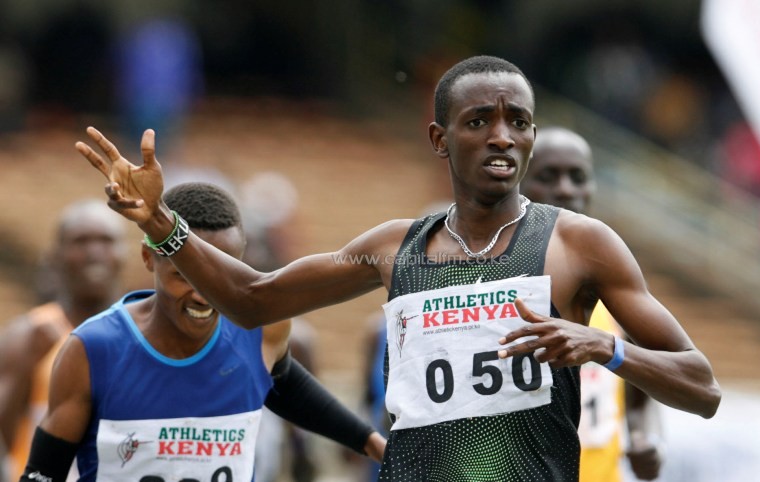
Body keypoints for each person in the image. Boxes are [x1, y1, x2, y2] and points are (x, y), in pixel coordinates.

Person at [77, 54, 721, 481]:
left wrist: (604, 346)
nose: (502, 136)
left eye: (517, 122)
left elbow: (702, 386)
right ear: (440, 139)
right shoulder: (393, 248)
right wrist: (160, 223)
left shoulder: (582, 245)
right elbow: (252, 299)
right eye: (480, 121)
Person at [18, 182, 385, 481]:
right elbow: (42, 473)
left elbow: (282, 381)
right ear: (150, 259)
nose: (202, 293)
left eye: (217, 277)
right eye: (184, 275)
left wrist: (368, 441)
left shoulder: (261, 329)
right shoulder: (94, 348)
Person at [521, 126, 663, 481]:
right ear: (519, 185)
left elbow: (644, 391)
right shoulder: (499, 289)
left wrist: (644, 436)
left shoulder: (614, 294)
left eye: (578, 176)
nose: (566, 189)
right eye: (548, 176)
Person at [0, 199, 128, 481]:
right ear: (55, 254)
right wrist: (26, 368)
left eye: (106, 241)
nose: (94, 253)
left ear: (125, 253)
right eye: (80, 242)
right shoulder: (28, 334)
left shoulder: (142, 334)